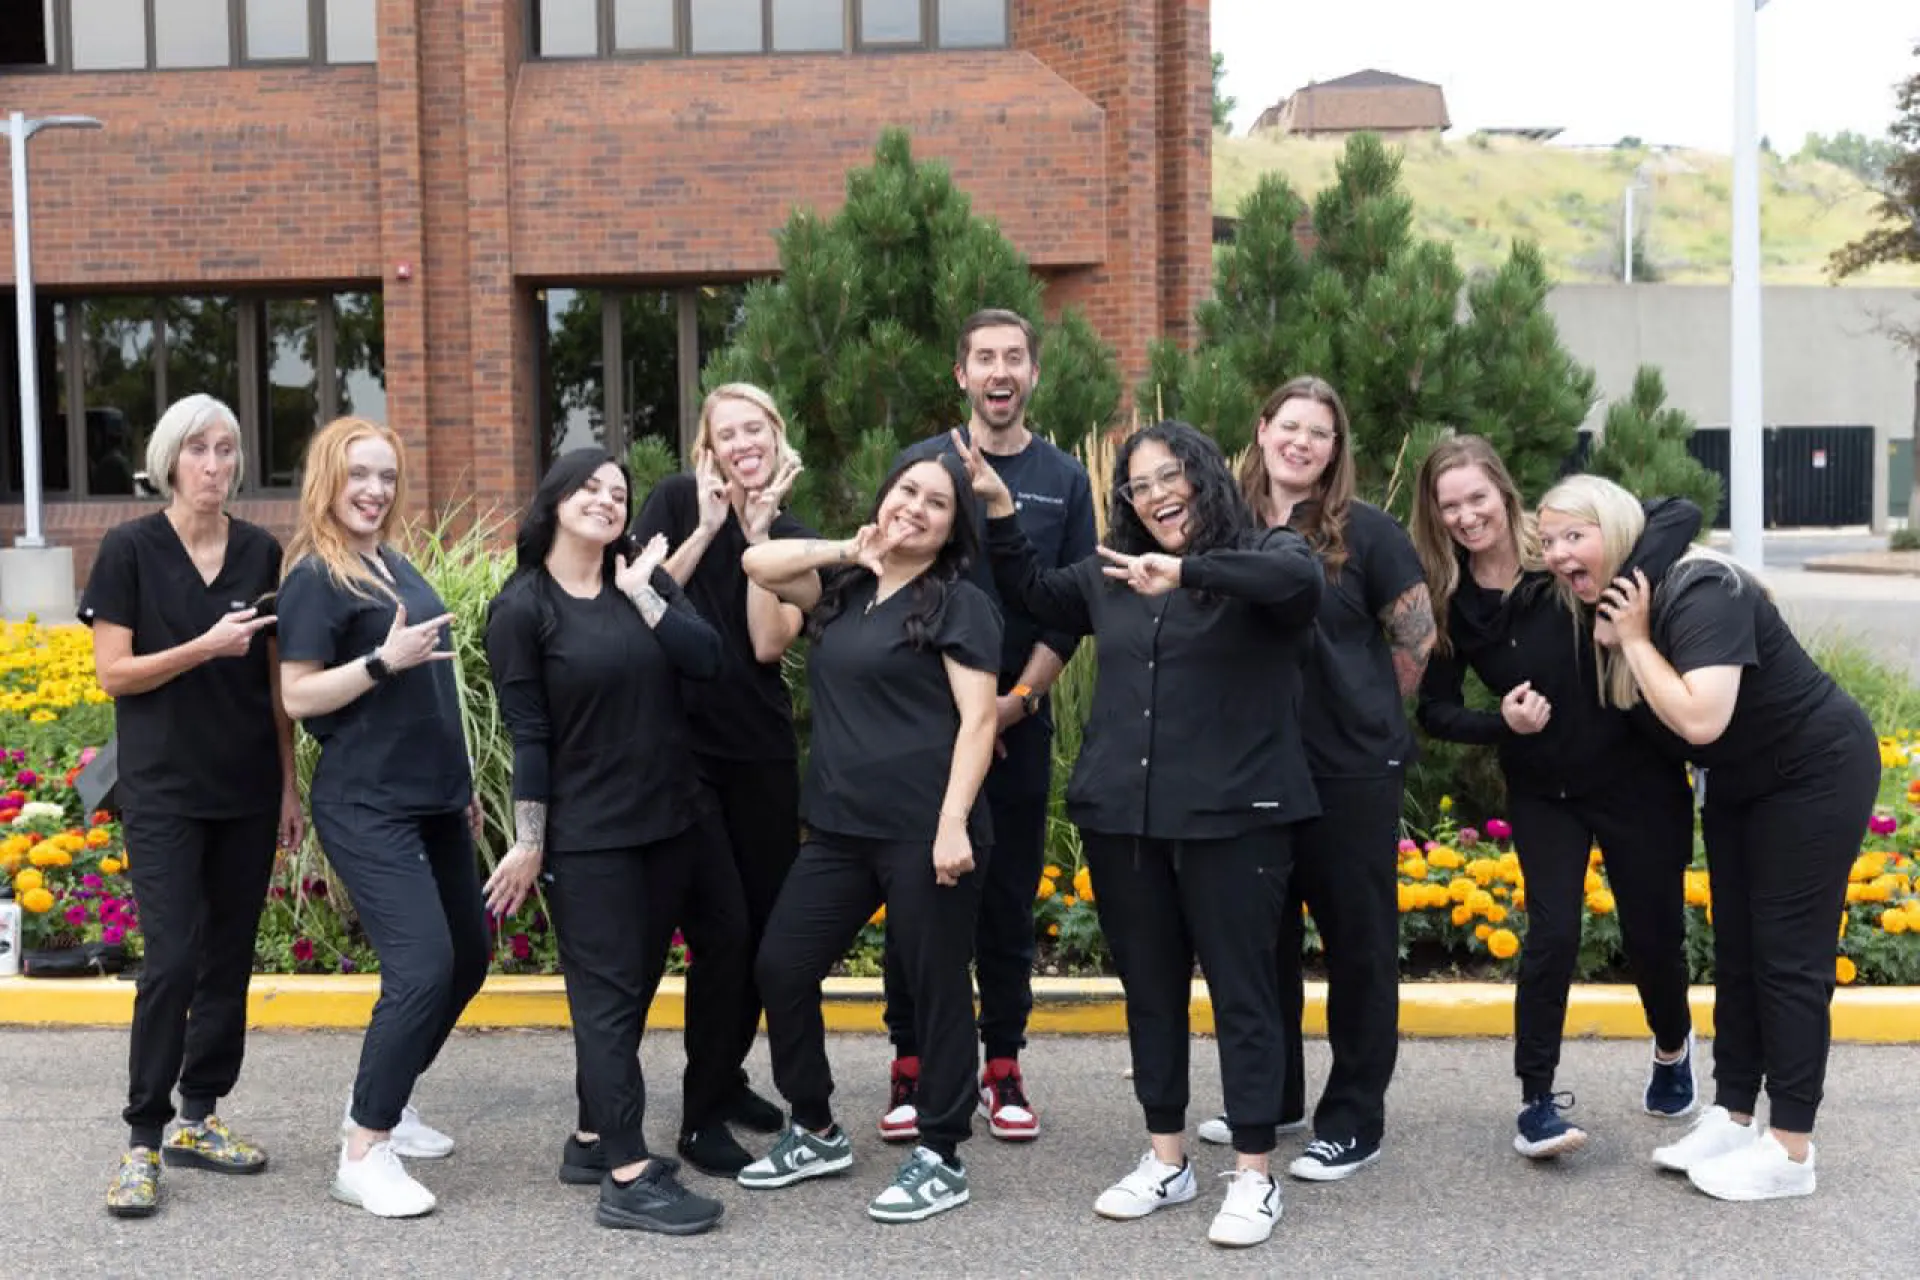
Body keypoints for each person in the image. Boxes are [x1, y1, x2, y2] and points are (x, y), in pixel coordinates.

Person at [963, 420, 1323, 1249]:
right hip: (1124, 818)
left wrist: (1188, 572)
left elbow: (1294, 586)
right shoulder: (1111, 574)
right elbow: (1035, 595)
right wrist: (1001, 509)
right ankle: (1168, 1159)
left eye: (1172, 476)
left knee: (1243, 994)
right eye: (1139, 485)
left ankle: (1255, 1176)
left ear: (1205, 476)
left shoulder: (1268, 553)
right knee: (1151, 993)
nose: (1157, 495)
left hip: (1237, 819)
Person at [1543, 473, 1879, 1202]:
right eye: (1548, 542)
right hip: (1739, 782)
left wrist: (1630, 637)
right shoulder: (1625, 597)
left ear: (1616, 531)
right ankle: (1733, 1117)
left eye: (1575, 534)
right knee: (1738, 956)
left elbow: (1700, 720)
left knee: (1788, 959)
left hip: (1814, 770)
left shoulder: (1702, 589)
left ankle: (1791, 1151)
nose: (1560, 554)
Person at [1412, 435, 1701, 1162]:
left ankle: (1672, 1048)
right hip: (1546, 788)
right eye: (1450, 506)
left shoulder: (1563, 551)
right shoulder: (1452, 600)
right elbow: (1436, 711)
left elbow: (1678, 510)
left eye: (1477, 497)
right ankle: (1536, 1100)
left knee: (1651, 938)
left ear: (1504, 492)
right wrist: (1499, 722)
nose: (1467, 516)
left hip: (1637, 777)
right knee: (1552, 936)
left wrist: (1618, 592)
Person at [735, 453, 1000, 1224]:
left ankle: (941, 1153)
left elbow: (979, 720)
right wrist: (849, 548)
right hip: (841, 832)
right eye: (906, 490)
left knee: (934, 988)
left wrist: (952, 823)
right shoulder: (846, 588)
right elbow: (758, 560)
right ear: (882, 497)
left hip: (927, 832)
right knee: (780, 966)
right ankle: (814, 1127)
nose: (916, 507)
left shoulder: (960, 603)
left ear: (955, 528)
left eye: (938, 503)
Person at [484, 448, 732, 1234]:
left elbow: (708, 661)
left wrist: (648, 594)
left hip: (670, 824)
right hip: (591, 838)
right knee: (606, 1004)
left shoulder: (638, 581)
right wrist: (531, 842)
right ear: (555, 499)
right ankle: (627, 1176)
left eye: (619, 491)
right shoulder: (523, 607)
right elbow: (530, 736)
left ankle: (593, 1139)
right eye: (590, 486)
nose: (606, 499)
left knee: (630, 995)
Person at [1193, 377, 1434, 1182]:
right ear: (1261, 431)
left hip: (1348, 772)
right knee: (1261, 946)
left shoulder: (1367, 533)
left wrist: (1361, 706)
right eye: (1289, 426)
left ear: (1337, 450)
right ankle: (1275, 1096)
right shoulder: (1218, 529)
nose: (1302, 442)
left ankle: (1354, 1118)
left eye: (1320, 433)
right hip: (1250, 768)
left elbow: (1417, 639)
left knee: (1358, 948)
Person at [80, 394, 303, 1219]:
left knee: (228, 961)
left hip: (244, 788)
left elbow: (276, 688)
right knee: (172, 958)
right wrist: (205, 646)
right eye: (199, 450)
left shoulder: (260, 552)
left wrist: (287, 785)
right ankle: (142, 1140)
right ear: (169, 458)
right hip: (164, 789)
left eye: (227, 450)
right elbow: (114, 673)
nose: (215, 465)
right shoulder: (130, 549)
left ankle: (199, 1116)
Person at [881, 309, 1097, 1143]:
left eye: (1014, 357)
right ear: (960, 374)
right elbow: (892, 580)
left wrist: (1013, 704)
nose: (999, 371)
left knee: (1005, 903)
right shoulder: (924, 466)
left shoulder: (1064, 479)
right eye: (984, 358)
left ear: (1032, 374)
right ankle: (913, 1062)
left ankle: (1001, 1063)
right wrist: (958, 712)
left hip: (1017, 726)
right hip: (923, 732)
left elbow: (1070, 611)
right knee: (915, 900)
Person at [277, 417, 487, 1219]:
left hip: (433, 795)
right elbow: (297, 695)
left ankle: (388, 1101)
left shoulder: (390, 562)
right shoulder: (313, 578)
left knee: (468, 959)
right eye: (359, 474)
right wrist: (376, 663)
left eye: (387, 477)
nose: (374, 490)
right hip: (367, 801)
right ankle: (362, 1149)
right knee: (423, 966)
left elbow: (432, 684)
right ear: (327, 479)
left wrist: (461, 781)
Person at [628, 384, 811, 1170]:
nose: (743, 443)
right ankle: (698, 1114)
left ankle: (725, 1075)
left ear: (777, 435)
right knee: (723, 933)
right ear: (707, 447)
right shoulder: (673, 500)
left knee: (764, 938)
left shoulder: (795, 534)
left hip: (761, 755)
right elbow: (635, 598)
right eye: (726, 432)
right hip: (683, 753)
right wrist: (707, 527)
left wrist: (761, 538)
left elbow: (768, 645)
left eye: (755, 428)